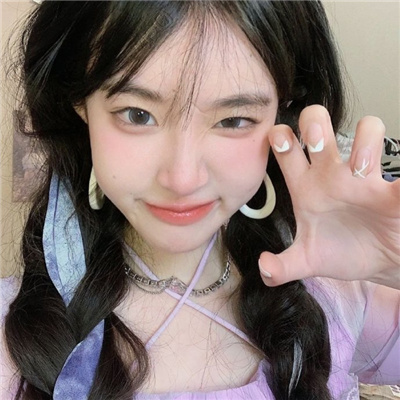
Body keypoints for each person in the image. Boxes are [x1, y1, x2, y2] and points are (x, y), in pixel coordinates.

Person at [1, 1, 399, 399]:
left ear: (283, 112)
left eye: (233, 120)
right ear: (80, 104)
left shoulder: (335, 290)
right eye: (137, 114)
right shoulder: (10, 341)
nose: (182, 179)